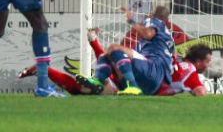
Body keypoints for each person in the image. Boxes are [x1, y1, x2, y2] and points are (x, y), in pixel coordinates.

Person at [19, 30, 212, 97]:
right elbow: (200, 92)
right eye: (207, 61)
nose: (209, 66)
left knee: (83, 88)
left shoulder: (172, 60)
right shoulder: (189, 70)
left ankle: (45, 70)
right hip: (142, 82)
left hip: (127, 76)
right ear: (198, 61)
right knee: (88, 87)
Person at [75, 5, 175, 96]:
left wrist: (131, 20)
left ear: (153, 14)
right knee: (109, 57)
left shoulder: (156, 21)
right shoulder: (167, 39)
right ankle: (100, 84)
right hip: (152, 85)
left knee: (113, 48)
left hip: (153, 69)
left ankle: (127, 85)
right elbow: (173, 59)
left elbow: (148, 33)